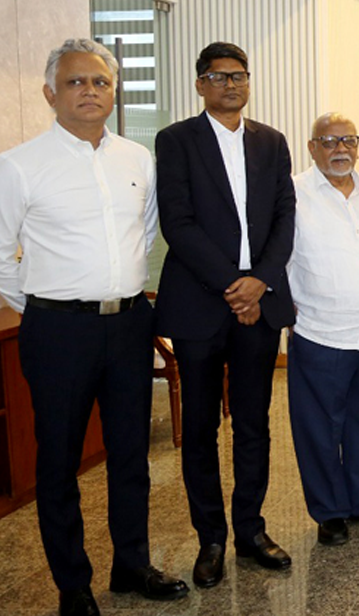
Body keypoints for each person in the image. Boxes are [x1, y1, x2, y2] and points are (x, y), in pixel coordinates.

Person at [0, 39, 188, 616]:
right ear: (50, 93)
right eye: (76, 82)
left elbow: (148, 232)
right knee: (58, 462)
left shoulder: (137, 159)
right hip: (58, 332)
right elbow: (2, 254)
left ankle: (131, 565)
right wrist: (44, 307)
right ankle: (73, 585)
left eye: (100, 82)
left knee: (131, 454)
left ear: (114, 92)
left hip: (129, 324)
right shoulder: (20, 165)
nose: (89, 91)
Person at [155, 41, 296, 587]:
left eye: (238, 76)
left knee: (254, 423)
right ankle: (210, 538)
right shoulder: (176, 141)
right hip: (200, 305)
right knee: (201, 427)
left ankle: (251, 531)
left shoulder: (271, 142)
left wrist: (260, 281)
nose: (230, 85)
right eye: (218, 77)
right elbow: (178, 223)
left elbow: (285, 215)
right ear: (200, 85)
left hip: (259, 301)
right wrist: (233, 286)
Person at [287, 112, 359, 542]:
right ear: (312, 147)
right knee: (319, 426)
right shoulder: (293, 193)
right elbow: (279, 259)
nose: (341, 149)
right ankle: (329, 510)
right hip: (322, 330)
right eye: (330, 141)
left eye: (349, 140)